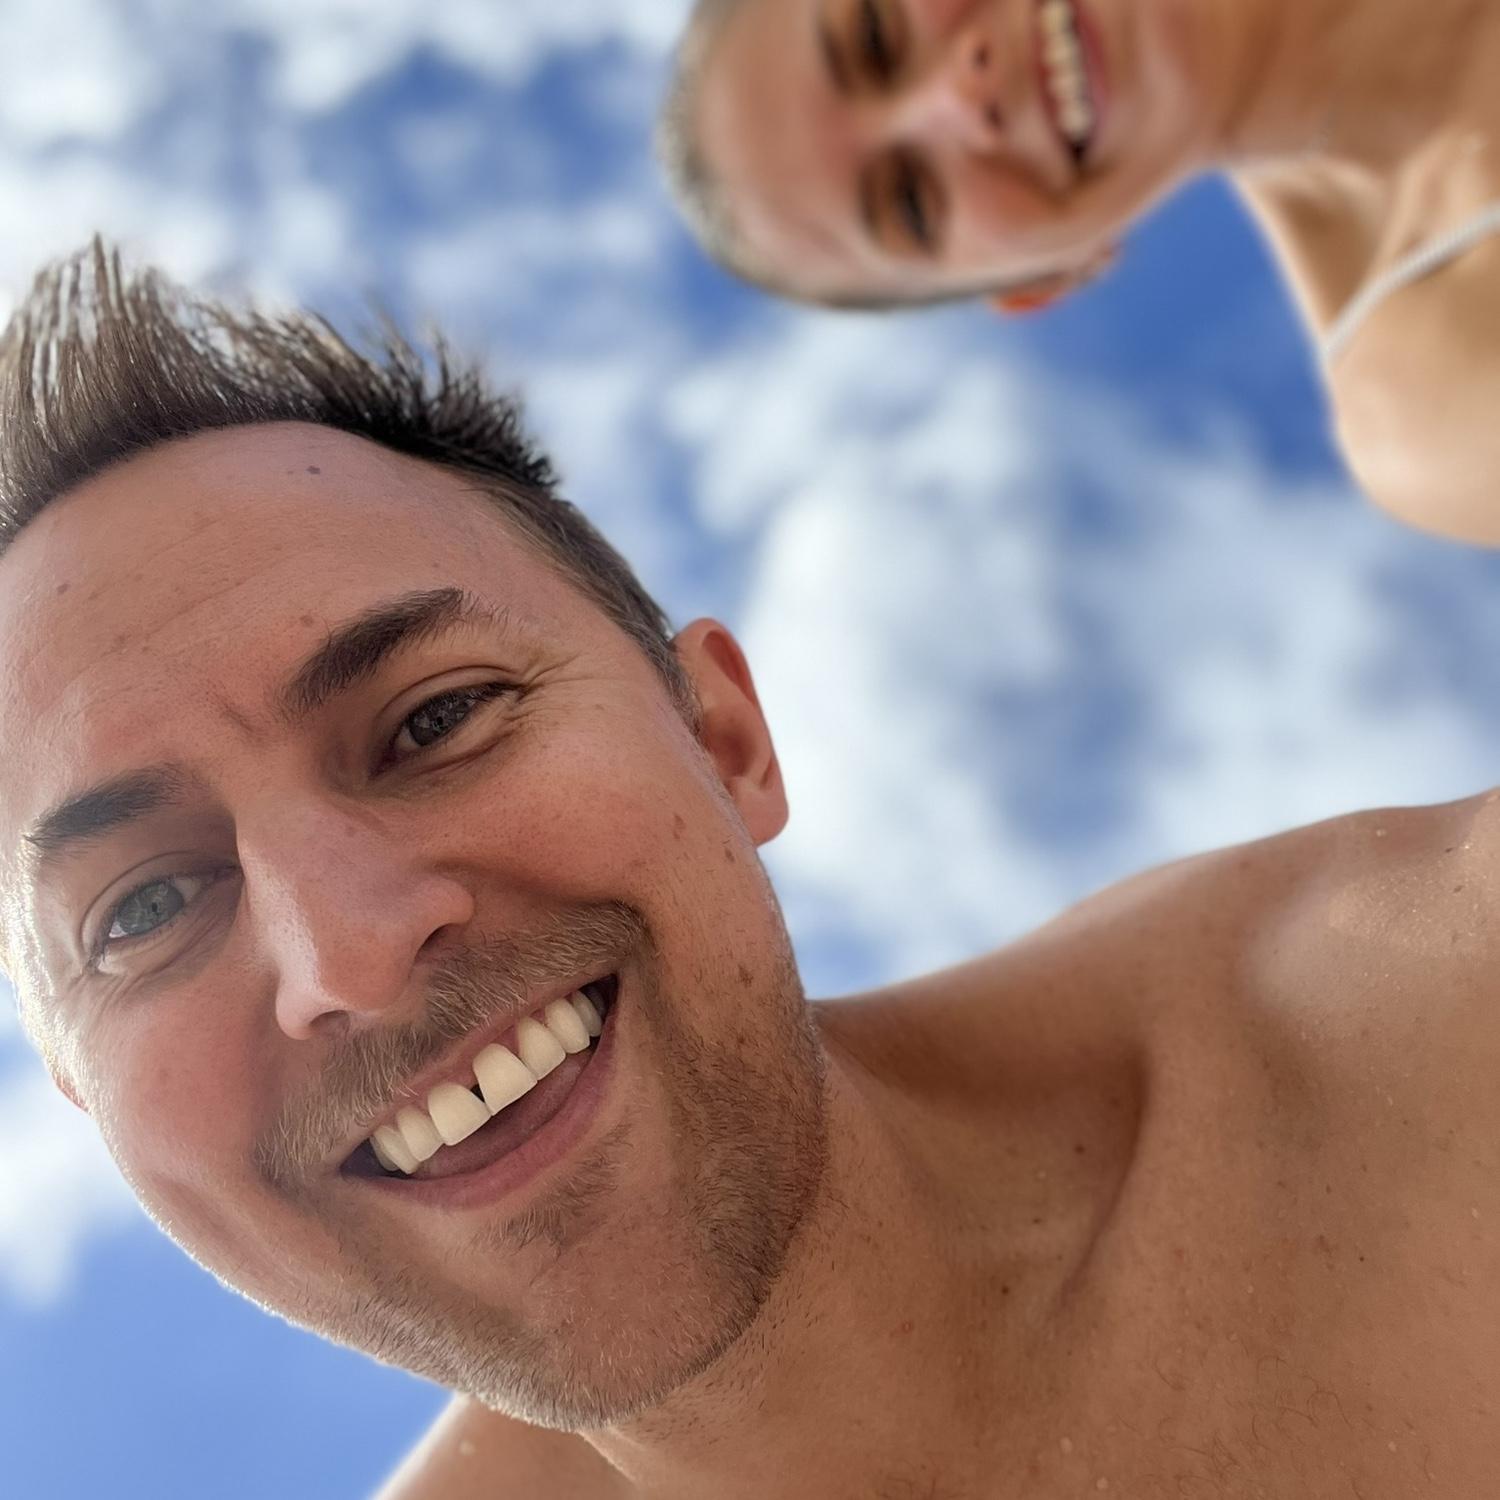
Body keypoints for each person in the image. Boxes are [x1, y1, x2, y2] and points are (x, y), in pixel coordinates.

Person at [2, 244, 1495, 1500]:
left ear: (723, 736)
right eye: (143, 910)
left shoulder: (1447, 1039)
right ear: (80, 1087)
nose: (352, 952)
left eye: (437, 720)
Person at [659, 0, 1500, 544]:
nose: (957, 98)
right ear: (1050, 278)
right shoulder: (1433, 394)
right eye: (911, 203)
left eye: (877, 34)